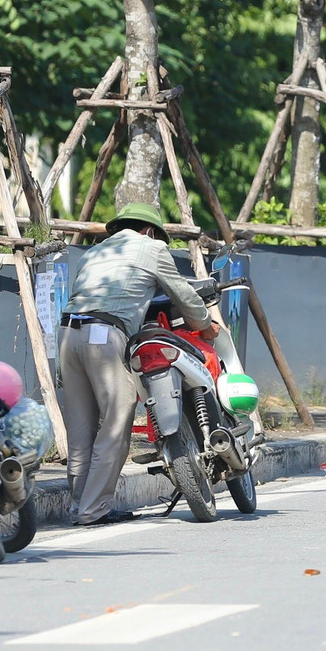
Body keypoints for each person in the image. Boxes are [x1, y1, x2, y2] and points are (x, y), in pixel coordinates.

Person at [60, 202, 218, 526]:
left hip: (66, 335)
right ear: (149, 230)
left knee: (80, 432)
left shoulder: (94, 252)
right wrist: (205, 325)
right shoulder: (152, 247)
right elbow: (183, 295)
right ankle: (93, 510)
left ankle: (79, 508)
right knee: (116, 425)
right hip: (103, 336)